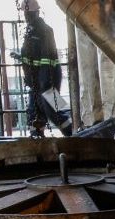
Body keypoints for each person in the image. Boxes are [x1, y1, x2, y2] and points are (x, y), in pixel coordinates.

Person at [14, 0, 72, 137]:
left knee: (54, 111)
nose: (25, 15)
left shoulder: (45, 30)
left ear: (36, 12)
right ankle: (37, 141)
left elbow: (47, 58)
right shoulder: (31, 30)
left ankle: (72, 136)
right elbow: (32, 53)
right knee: (34, 113)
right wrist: (20, 56)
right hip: (36, 81)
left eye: (28, 12)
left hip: (47, 79)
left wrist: (45, 83)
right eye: (25, 13)